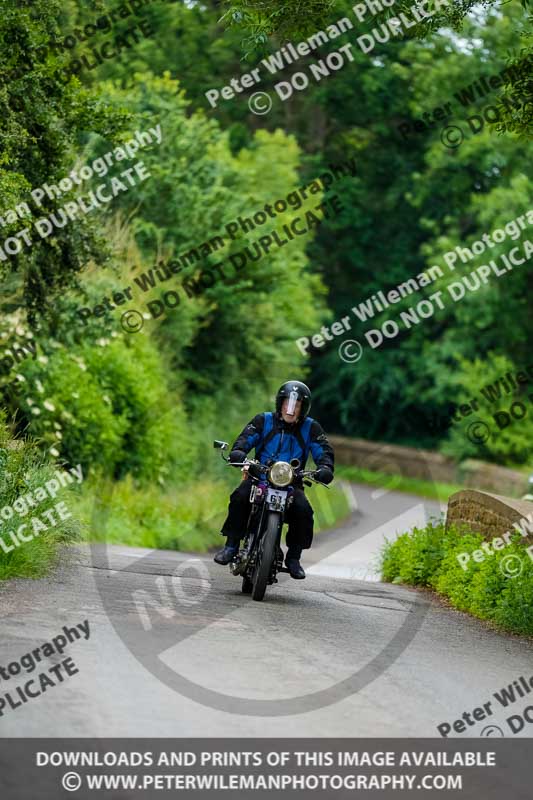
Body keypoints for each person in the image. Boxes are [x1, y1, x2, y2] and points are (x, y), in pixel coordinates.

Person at [214, 381, 334, 579]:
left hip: (291, 483)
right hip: (259, 476)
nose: (291, 409)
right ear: (280, 403)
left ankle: (294, 557)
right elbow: (246, 438)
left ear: (302, 408)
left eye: (296, 405)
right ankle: (231, 545)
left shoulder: (311, 428)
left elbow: (323, 451)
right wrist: (238, 452)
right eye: (287, 403)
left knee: (304, 510)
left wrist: (325, 468)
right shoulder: (263, 420)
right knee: (239, 497)